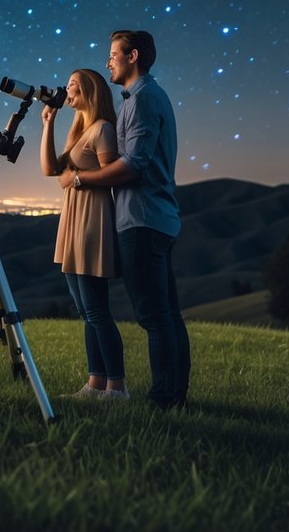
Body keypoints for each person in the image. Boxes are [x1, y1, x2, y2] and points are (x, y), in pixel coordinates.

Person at [60, 30, 191, 410]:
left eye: (113, 55)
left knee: (154, 318)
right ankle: (174, 396)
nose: (107, 62)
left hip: (142, 219)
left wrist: (80, 178)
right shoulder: (146, 97)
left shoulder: (143, 100)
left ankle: (165, 400)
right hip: (157, 217)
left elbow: (133, 165)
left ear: (132, 56)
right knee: (167, 316)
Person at [40, 68, 128, 401]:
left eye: (73, 86)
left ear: (89, 91)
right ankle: (95, 384)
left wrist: (77, 179)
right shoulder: (81, 131)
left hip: (93, 223)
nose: (66, 90)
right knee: (85, 311)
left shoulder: (103, 130)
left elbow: (113, 175)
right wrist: (48, 122)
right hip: (73, 223)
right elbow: (50, 169)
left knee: (96, 311)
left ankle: (116, 388)